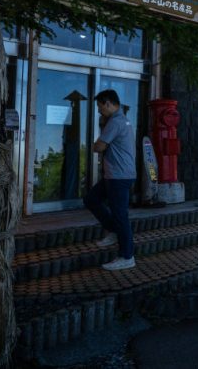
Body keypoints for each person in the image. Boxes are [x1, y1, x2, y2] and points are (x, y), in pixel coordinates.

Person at [84, 89, 137, 271]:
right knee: (91, 199)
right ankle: (113, 230)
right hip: (116, 175)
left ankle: (127, 256)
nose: (99, 111)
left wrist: (93, 144)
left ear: (108, 103)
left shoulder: (115, 122)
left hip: (119, 176)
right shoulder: (122, 120)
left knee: (121, 216)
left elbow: (99, 147)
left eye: (100, 106)